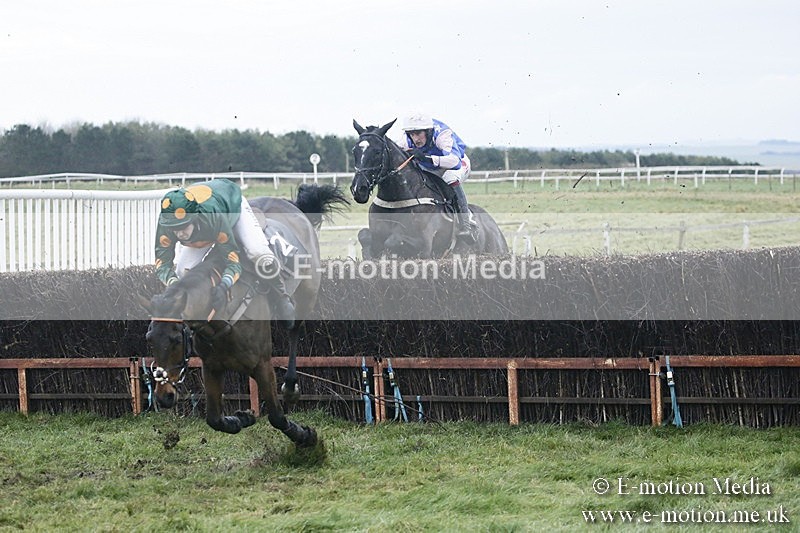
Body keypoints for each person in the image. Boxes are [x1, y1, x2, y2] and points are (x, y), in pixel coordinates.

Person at [154, 178, 295, 327]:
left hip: (231, 206)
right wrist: (176, 286)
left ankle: (282, 297)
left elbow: (233, 263)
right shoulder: (166, 225)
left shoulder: (213, 217)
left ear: (195, 219)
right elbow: (162, 266)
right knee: (183, 271)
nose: (180, 234)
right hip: (206, 217)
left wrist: (224, 285)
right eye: (175, 229)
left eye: (184, 227)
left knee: (258, 252)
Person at [401, 114, 478, 243]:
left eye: (418, 133)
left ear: (428, 131)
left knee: (450, 177)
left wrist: (426, 158)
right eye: (412, 134)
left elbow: (454, 162)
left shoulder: (442, 134)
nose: (415, 139)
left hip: (457, 164)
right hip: (430, 167)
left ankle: (466, 225)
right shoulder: (405, 140)